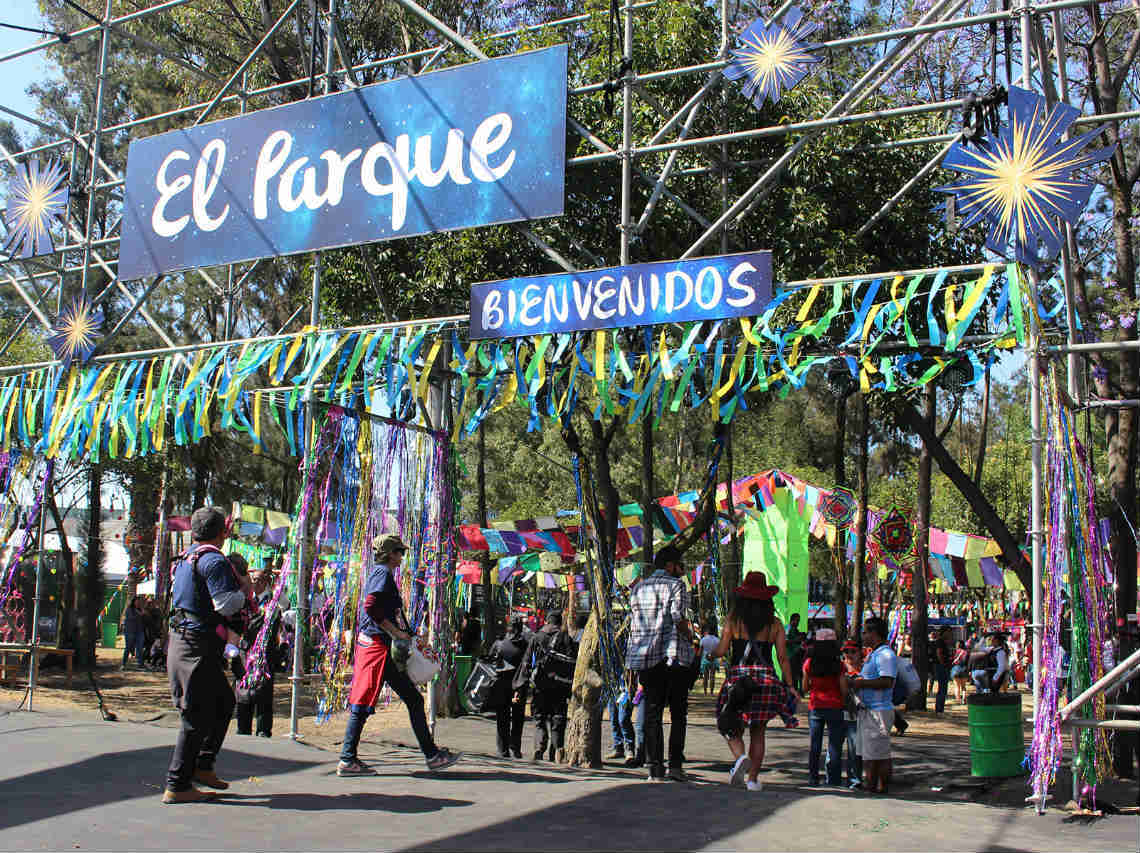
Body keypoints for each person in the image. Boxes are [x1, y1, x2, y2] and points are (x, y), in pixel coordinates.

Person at [338, 534, 460, 776]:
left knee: (412, 700)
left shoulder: (381, 573)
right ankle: (347, 759)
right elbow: (370, 606)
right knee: (363, 703)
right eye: (399, 552)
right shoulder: (382, 573)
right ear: (390, 553)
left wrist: (403, 633)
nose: (402, 557)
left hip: (380, 646)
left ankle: (432, 755)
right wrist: (395, 632)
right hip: (376, 646)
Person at [163, 507, 250, 804]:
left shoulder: (189, 558)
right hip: (195, 645)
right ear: (222, 532)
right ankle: (177, 784)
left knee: (224, 703)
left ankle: (202, 765)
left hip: (189, 642)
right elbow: (226, 604)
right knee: (195, 715)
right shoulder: (213, 560)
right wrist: (245, 591)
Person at [710, 572, 799, 792]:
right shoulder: (775, 624)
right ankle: (752, 781)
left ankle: (740, 757)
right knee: (758, 732)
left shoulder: (733, 621)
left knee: (729, 723)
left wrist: (709, 653)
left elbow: (721, 651)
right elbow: (782, 657)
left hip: (739, 679)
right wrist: (789, 685)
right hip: (766, 682)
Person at [625, 544, 696, 783]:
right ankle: (675, 767)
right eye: (679, 565)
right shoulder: (676, 585)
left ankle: (655, 770)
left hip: (646, 658)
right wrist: (691, 637)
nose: (681, 570)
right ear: (670, 565)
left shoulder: (638, 588)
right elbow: (678, 617)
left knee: (653, 713)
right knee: (678, 713)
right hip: (672, 656)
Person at [848, 616, 898, 795]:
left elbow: (887, 681)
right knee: (871, 753)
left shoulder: (885, 655)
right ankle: (873, 784)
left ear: (874, 633)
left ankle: (879, 786)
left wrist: (862, 683)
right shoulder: (874, 654)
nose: (863, 635)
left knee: (878, 754)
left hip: (878, 711)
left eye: (865, 631)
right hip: (869, 710)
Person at [235, 564, 279, 738]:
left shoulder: (273, 603)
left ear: (266, 582)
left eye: (260, 580)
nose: (256, 583)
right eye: (254, 580)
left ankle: (263, 730)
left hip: (264, 654)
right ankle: (243, 728)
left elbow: (270, 627)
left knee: (264, 693)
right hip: (245, 652)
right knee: (244, 690)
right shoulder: (245, 600)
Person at [525, 612, 575, 762]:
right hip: (560, 686)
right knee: (558, 718)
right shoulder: (566, 638)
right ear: (560, 623)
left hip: (540, 685)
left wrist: (523, 684)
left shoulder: (537, 637)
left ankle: (539, 748)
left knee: (540, 718)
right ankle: (558, 749)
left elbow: (527, 662)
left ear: (547, 621)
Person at [803, 628, 848, 787]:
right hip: (835, 706)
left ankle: (813, 777)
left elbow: (805, 687)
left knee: (815, 745)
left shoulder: (809, 663)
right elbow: (843, 689)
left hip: (815, 706)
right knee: (834, 745)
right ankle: (833, 779)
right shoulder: (839, 665)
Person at [491, 617, 529, 758]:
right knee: (518, 717)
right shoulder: (525, 644)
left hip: (501, 685)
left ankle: (503, 749)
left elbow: (490, 660)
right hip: (519, 686)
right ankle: (515, 747)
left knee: (502, 716)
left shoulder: (499, 643)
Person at [841, 640, 863, 789]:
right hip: (838, 712)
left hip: (857, 714)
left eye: (852, 651)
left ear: (860, 653)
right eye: (846, 651)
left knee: (855, 748)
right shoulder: (839, 668)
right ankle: (832, 778)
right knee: (833, 748)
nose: (849, 655)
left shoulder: (866, 669)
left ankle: (854, 780)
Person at [121, 596, 146, 669]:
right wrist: (139, 614)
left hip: (139, 631)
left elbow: (144, 619)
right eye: (137, 601)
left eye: (139, 602)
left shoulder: (141, 610)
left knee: (140, 648)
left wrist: (144, 614)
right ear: (133, 602)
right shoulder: (129, 609)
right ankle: (123, 663)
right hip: (130, 631)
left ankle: (140, 664)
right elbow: (130, 618)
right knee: (128, 647)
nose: (138, 603)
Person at [932, 627, 952, 713]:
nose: (950, 634)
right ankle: (939, 709)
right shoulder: (940, 642)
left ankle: (940, 708)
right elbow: (939, 653)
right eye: (948, 632)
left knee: (943, 688)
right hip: (941, 667)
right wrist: (943, 664)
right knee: (942, 688)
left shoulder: (943, 642)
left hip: (942, 666)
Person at [699, 620, 720, 695]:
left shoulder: (703, 639)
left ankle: (705, 692)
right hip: (714, 660)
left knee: (705, 677)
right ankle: (711, 692)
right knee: (712, 676)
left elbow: (700, 652)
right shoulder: (717, 640)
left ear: (708, 630)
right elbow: (719, 651)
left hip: (705, 660)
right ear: (714, 631)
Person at [786, 613, 806, 692]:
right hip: (789, 656)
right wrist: (797, 640)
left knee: (796, 675)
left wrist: (802, 636)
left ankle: (797, 691)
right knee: (790, 675)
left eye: (799, 621)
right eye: (797, 621)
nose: (798, 623)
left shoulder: (795, 629)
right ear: (792, 620)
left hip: (796, 656)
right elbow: (785, 641)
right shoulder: (787, 628)